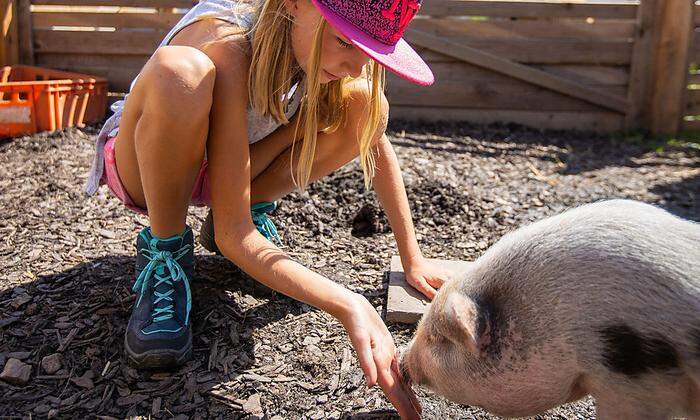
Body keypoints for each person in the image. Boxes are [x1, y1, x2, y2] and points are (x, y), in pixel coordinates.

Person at [84, 0, 448, 416]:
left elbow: (374, 141)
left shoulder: (316, 50)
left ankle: (241, 203)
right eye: (346, 42)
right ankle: (165, 251)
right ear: (294, 5)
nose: (353, 65)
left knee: (367, 104)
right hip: (148, 168)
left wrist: (412, 258)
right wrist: (350, 303)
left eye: (367, 54)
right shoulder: (229, 42)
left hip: (227, 170)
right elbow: (236, 238)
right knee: (181, 73)